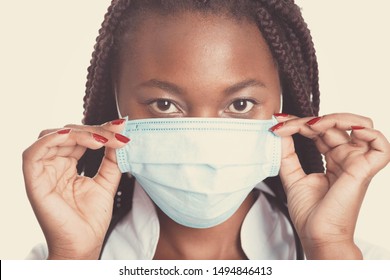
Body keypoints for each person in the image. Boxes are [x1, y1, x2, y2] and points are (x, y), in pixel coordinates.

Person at [22, 0, 390, 260]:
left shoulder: (353, 261)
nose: (202, 144)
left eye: (240, 105)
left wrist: (329, 246)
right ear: (114, 103)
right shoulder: (54, 263)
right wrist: (75, 258)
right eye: (165, 105)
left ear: (284, 100)